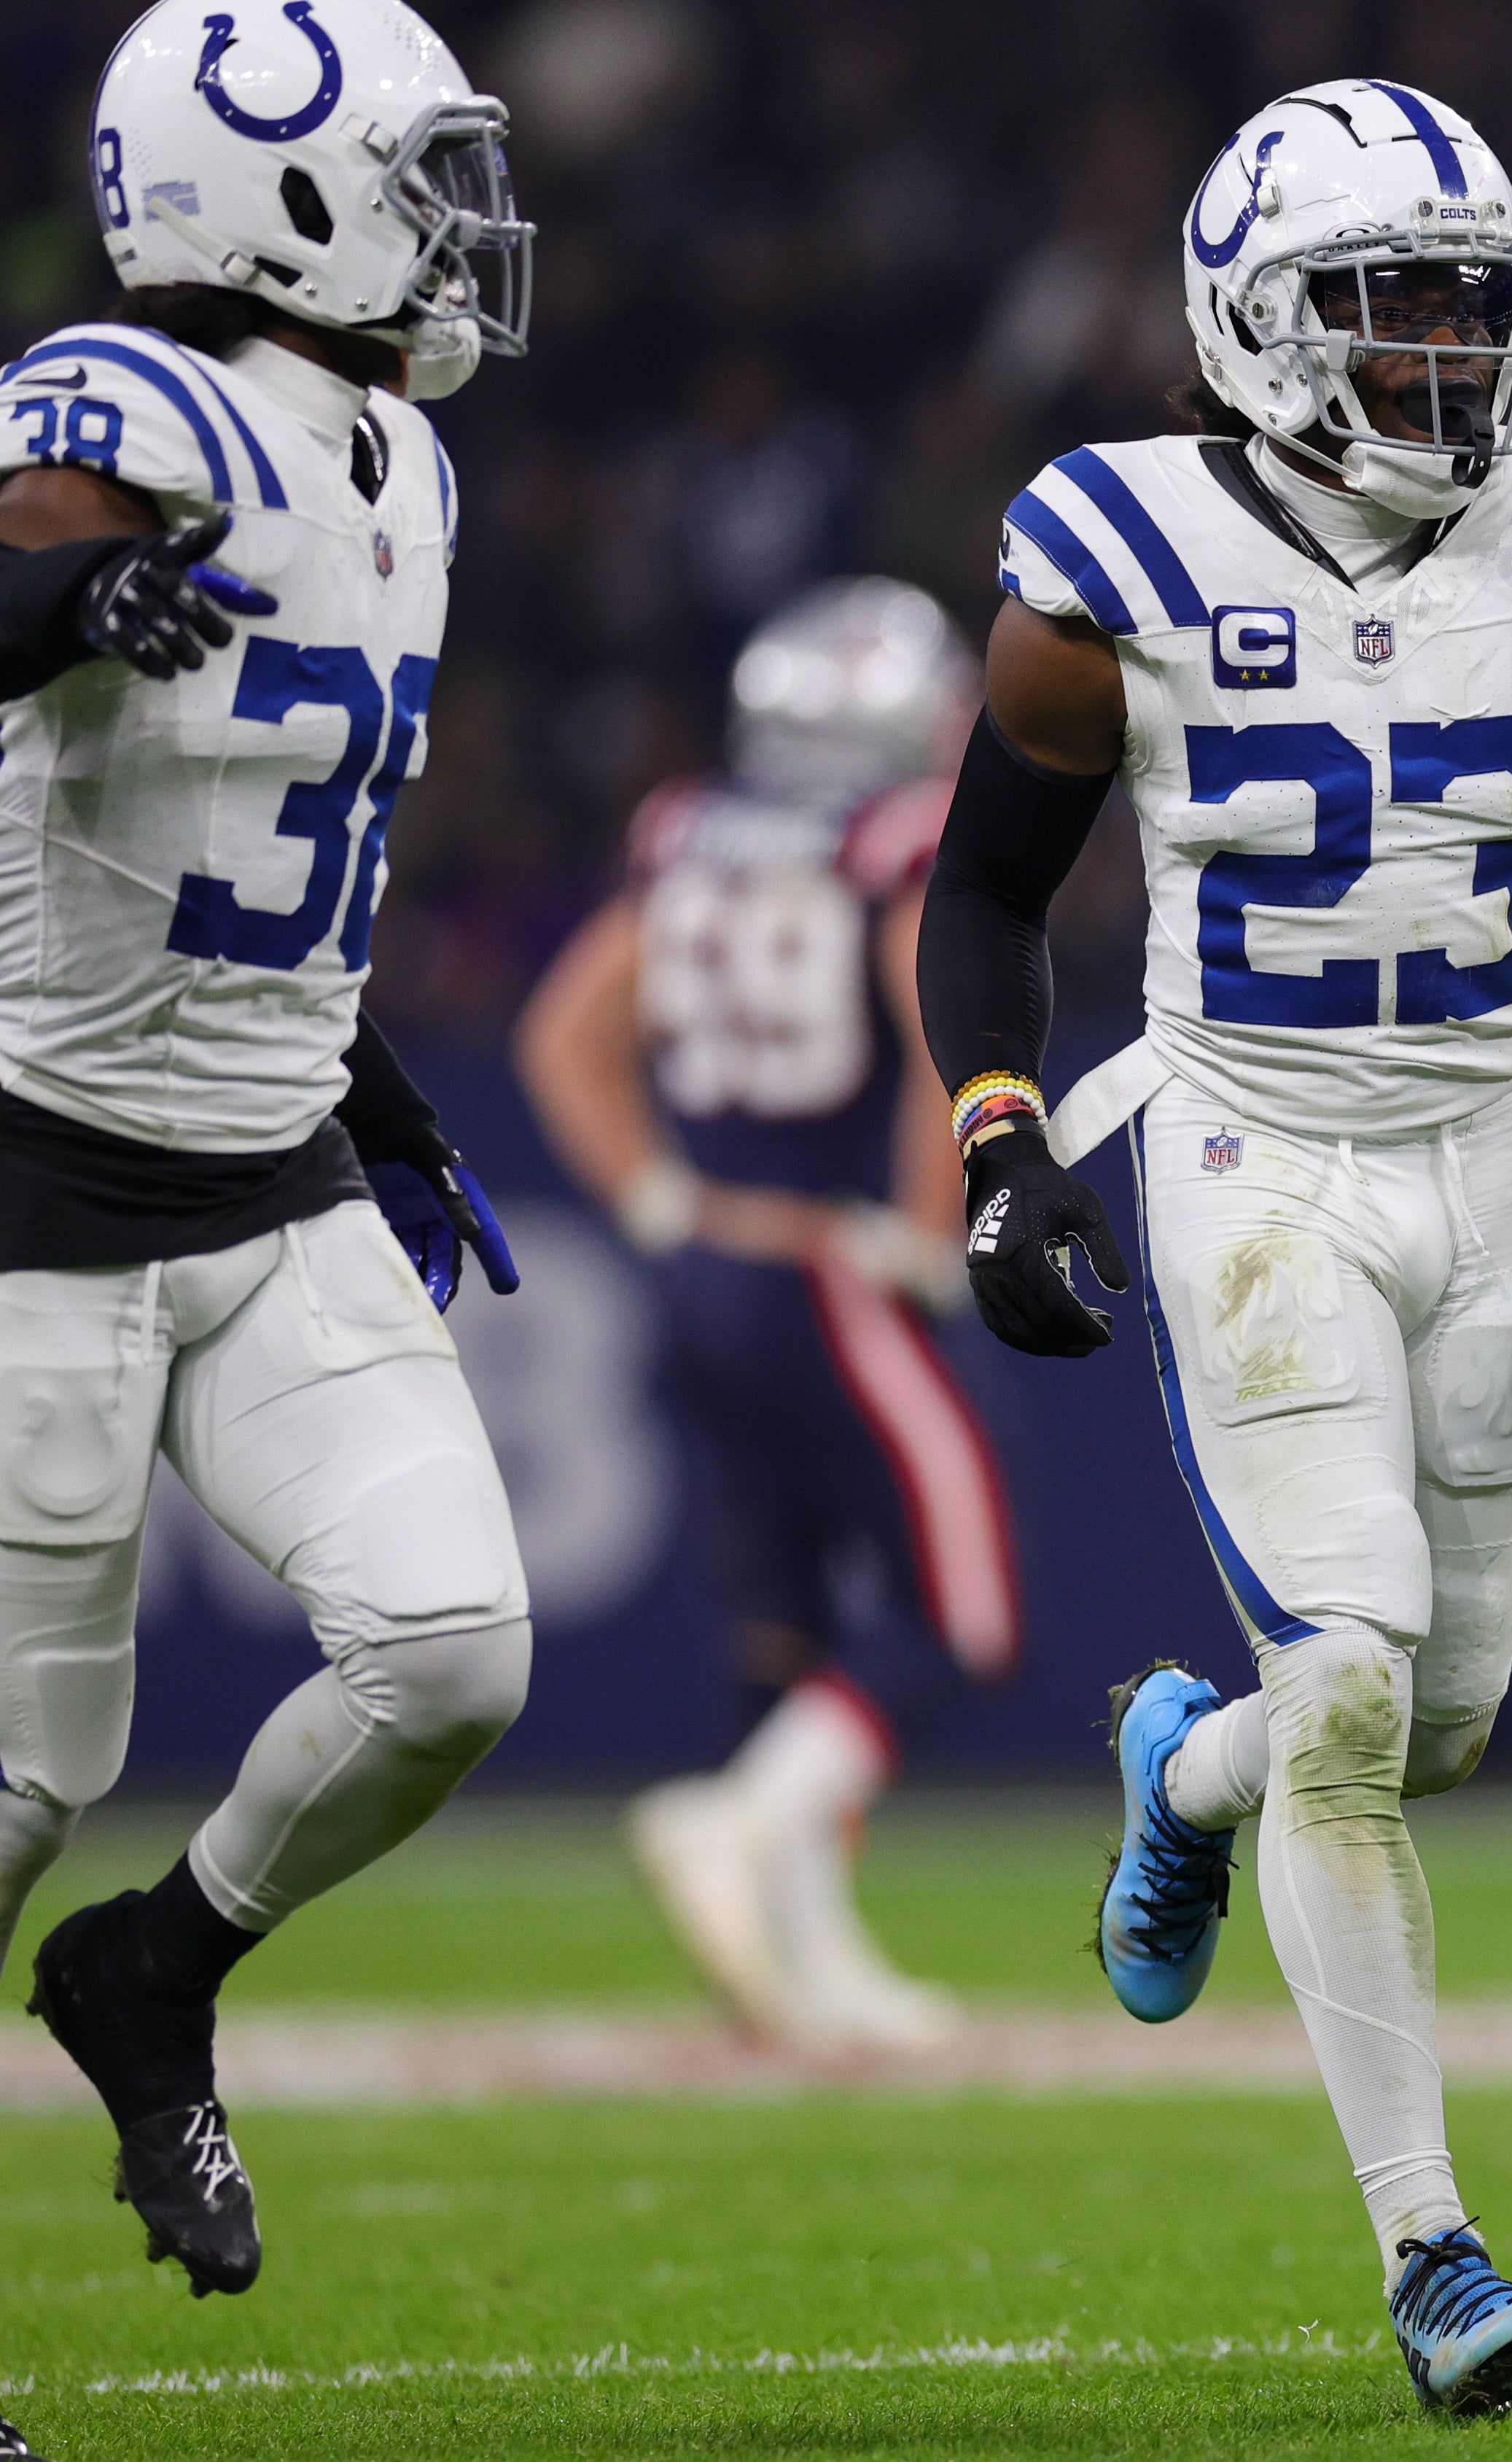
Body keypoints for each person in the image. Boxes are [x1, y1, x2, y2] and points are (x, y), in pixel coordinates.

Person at [913, 80, 1512, 2416]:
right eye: (1387, 303)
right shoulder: (1106, 553)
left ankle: (1175, 1774)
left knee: (1430, 1721)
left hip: (1489, 1158)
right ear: (1252, 322)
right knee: (1348, 1685)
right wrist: (1002, 1137)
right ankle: (1431, 2253)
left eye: (1469, 301)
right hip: (1252, 1153)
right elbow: (990, 890)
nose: (1446, 352)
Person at [0, 0, 537, 2326]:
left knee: (447, 1653)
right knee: (18, 1784)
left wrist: (376, 1088)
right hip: (38, 1185)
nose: (456, 219)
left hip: (273, 1156)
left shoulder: (400, 461)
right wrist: (62, 600)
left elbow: (264, 838)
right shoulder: (118, 402)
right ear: (273, 188)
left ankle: (157, 1973)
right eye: (417, 169)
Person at [515, 576, 1002, 2051]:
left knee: (780, 1638)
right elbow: (942, 1023)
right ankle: (732, 1825)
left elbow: (564, 1033)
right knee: (964, 1615)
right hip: (833, 1261)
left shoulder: (689, 834)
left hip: (707, 1263)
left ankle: (806, 1961)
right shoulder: (890, 839)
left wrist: (661, 1198)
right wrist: (930, 1232)